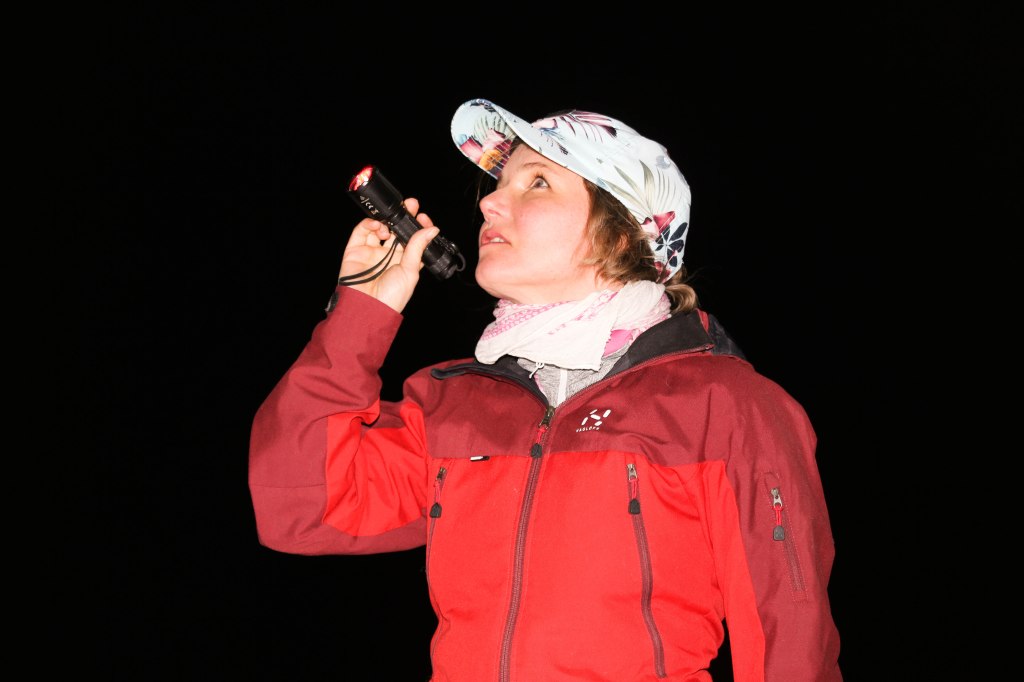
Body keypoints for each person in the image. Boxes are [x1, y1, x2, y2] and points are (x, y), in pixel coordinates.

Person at [248, 98, 842, 681]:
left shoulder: (723, 405)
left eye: (537, 183)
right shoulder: (453, 404)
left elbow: (790, 642)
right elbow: (299, 507)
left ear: (621, 235)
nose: (490, 202)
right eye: (498, 185)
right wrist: (360, 315)